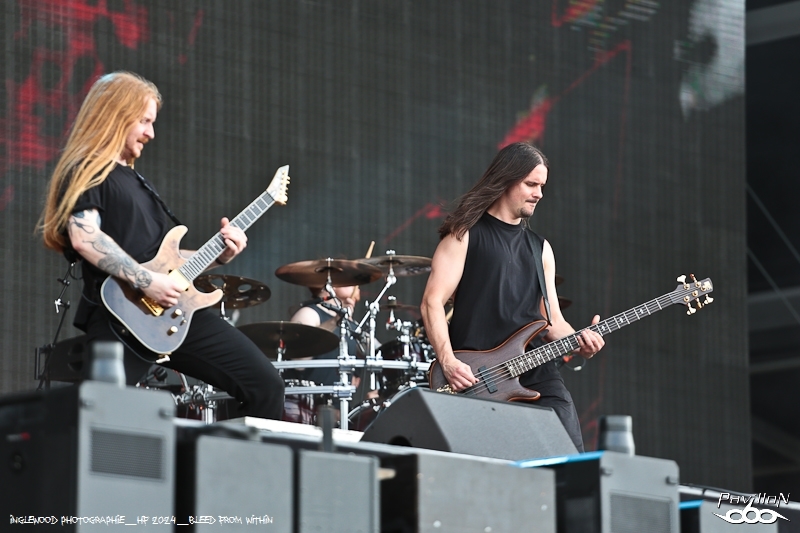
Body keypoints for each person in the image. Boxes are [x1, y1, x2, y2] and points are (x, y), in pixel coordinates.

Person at [38, 71, 284, 419]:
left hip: (174, 313)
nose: (151, 133)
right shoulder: (88, 169)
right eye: (144, 121)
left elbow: (163, 261)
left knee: (267, 386)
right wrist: (146, 281)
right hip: (121, 315)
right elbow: (85, 237)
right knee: (100, 421)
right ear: (115, 115)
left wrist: (220, 255)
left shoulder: (137, 181)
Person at [420, 142, 605, 451]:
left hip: (536, 370)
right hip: (480, 375)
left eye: (542, 186)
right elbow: (431, 302)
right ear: (506, 179)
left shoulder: (540, 248)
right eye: (531, 184)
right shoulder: (464, 235)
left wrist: (581, 342)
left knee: (570, 454)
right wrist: (448, 361)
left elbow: (552, 323)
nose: (539, 194)